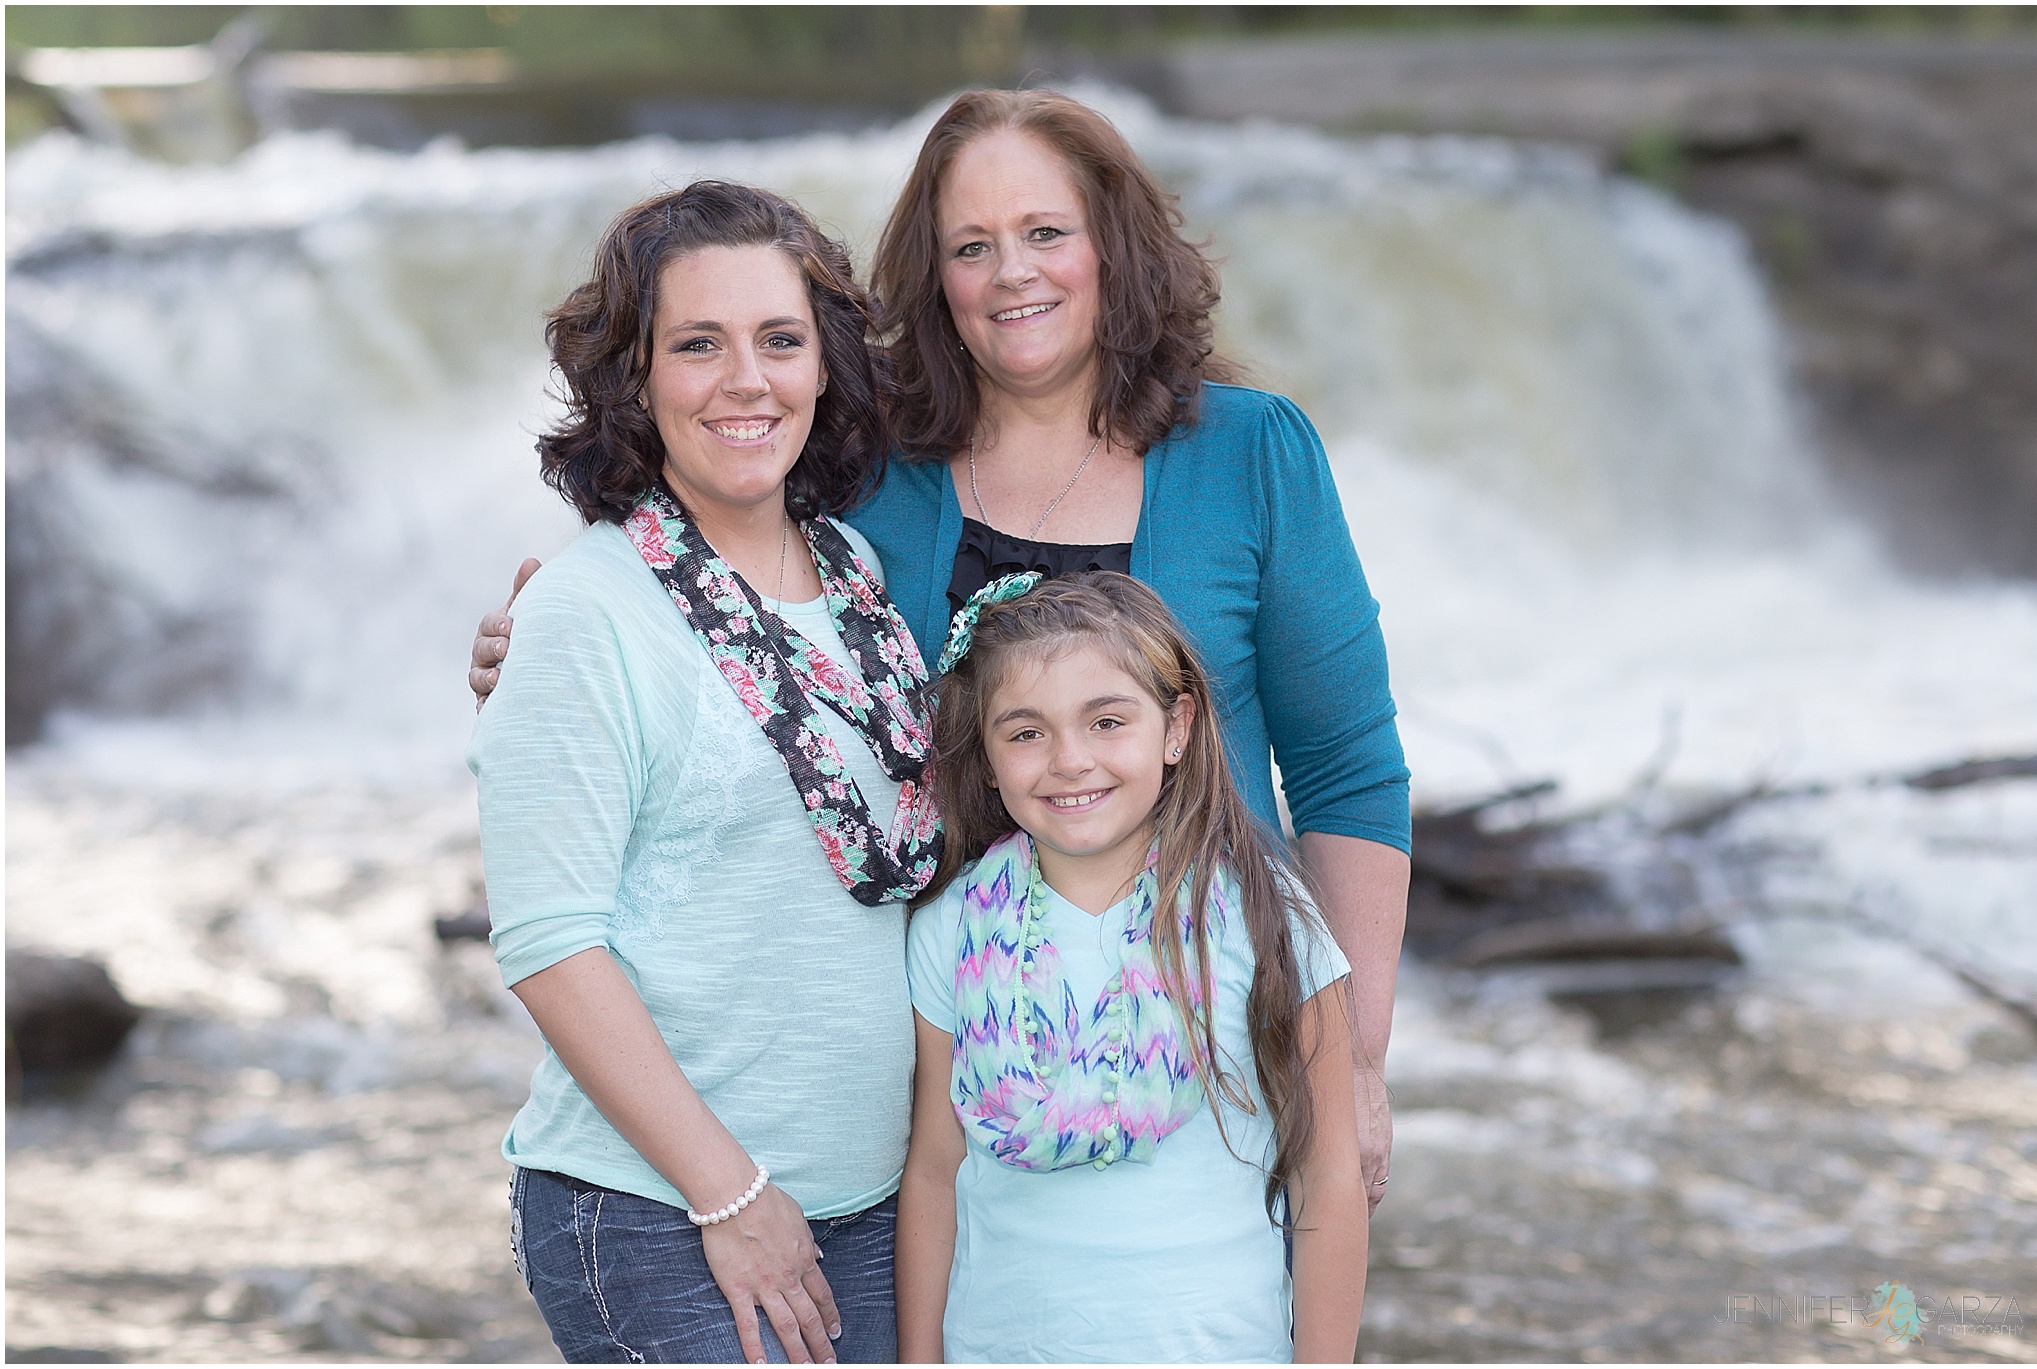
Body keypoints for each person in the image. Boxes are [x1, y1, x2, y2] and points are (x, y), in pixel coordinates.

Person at [472, 87, 1411, 1211]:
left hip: (1210, 1053)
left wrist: (1351, 1059)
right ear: (935, 279)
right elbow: (713, 577)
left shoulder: (1252, 455)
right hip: (961, 1080)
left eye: (1045, 233)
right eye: (972, 247)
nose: (1012, 272)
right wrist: (531, 644)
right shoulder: (873, 473)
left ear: (1113, 246)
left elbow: (1344, 768)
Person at [470, 180, 937, 1364]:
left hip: (867, 1203)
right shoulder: (587, 608)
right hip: (662, 1208)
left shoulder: (856, 572)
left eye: (780, 340)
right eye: (697, 345)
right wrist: (729, 1197)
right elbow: (548, 942)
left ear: (824, 364)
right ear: (635, 377)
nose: (748, 381)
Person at [897, 570, 1370, 1362]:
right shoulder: (952, 928)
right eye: (1025, 733)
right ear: (984, 756)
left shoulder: (1266, 913)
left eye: (1107, 721)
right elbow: (935, 1173)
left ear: (1175, 726)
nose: (1069, 760)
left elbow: (1328, 1178)